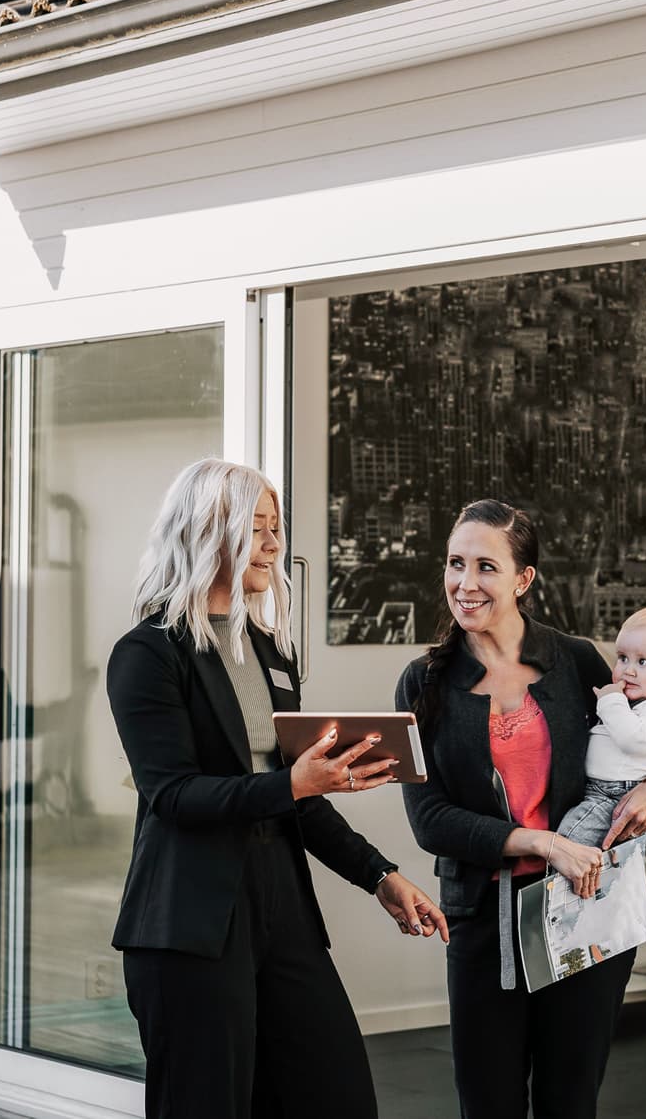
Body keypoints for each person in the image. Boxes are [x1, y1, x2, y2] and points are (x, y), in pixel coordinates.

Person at [107, 458, 447, 1119]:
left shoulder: (269, 650)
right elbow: (172, 795)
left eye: (274, 527)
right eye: (255, 527)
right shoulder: (148, 653)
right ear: (208, 530)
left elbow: (298, 800)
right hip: (191, 921)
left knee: (337, 1094)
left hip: (281, 906)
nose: (272, 543)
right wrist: (291, 781)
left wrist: (380, 875)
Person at [394, 499, 646, 1119]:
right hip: (481, 924)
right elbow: (429, 820)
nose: (465, 584)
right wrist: (543, 842)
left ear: (523, 579)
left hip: (586, 916)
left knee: (569, 1102)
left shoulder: (577, 661)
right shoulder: (421, 682)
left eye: (485, 567)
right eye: (454, 564)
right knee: (489, 1103)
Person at [556, 605, 646, 855]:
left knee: (568, 843)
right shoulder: (634, 702)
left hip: (617, 797)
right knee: (570, 847)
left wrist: (610, 700)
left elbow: (633, 739)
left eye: (642, 662)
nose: (628, 670)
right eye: (622, 658)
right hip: (599, 791)